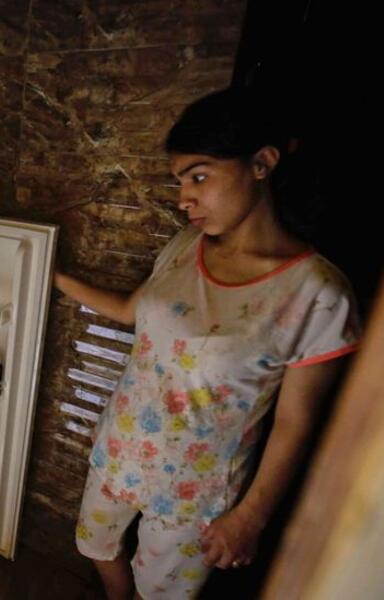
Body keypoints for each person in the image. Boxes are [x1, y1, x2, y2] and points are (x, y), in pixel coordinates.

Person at [54, 87, 362, 599]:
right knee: (95, 545)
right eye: (180, 181)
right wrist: (51, 276)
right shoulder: (185, 246)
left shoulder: (318, 295)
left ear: (261, 163)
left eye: (199, 176)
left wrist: (251, 516)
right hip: (121, 448)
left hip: (194, 492)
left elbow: (295, 423)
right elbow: (134, 311)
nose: (184, 198)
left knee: (162, 592)